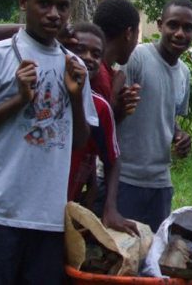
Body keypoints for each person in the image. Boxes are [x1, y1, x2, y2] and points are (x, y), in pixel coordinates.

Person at [0, 0, 97, 283]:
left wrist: (74, 95)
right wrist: (18, 100)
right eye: (43, 3)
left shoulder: (75, 67)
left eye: (62, 6)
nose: (53, 14)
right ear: (23, 3)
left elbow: (80, 141)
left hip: (47, 221)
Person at [114, 0, 192, 232]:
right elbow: (108, 112)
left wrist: (180, 136)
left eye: (187, 27)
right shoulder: (136, 58)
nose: (179, 33)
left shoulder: (184, 73)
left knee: (152, 260)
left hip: (160, 184)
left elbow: (169, 118)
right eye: (173, 25)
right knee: (122, 260)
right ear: (160, 25)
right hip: (123, 180)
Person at [64, 22, 138, 235]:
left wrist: (110, 208)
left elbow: (112, 160)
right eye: (79, 50)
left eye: (96, 54)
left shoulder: (100, 107)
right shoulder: (45, 96)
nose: (88, 57)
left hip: (70, 203)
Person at [92, 0, 141, 123]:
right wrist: (114, 92)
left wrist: (120, 109)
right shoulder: (99, 76)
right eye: (137, 34)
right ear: (129, 33)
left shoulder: (105, 72)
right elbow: (96, 129)